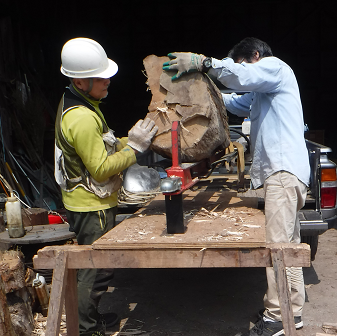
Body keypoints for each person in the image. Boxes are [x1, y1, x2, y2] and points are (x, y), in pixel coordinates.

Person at [163, 37, 310, 336]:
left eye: (242, 63)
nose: (240, 72)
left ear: (255, 56)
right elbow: (233, 100)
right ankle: (291, 311)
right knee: (290, 247)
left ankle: (277, 319)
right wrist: (202, 90)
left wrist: (204, 63)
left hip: (283, 173)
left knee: (278, 249)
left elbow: (242, 76)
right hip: (285, 174)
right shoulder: (262, 93)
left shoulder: (275, 68)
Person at [54, 37, 158, 336]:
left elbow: (101, 148)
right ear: (80, 81)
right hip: (92, 204)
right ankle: (87, 329)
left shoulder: (82, 103)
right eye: (101, 77)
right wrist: (135, 149)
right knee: (95, 270)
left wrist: (128, 140)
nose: (108, 81)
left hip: (85, 200)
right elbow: (100, 170)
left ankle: (90, 319)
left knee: (95, 266)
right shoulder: (82, 117)